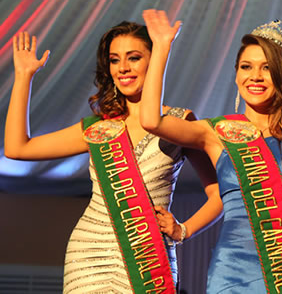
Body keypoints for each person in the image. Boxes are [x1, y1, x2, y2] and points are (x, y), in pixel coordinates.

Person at [4, 22, 223, 293]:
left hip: (147, 259)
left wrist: (184, 230)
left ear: (154, 61)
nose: (123, 68)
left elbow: (220, 194)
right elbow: (17, 148)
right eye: (115, 60)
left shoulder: (179, 121)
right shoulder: (97, 128)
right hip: (88, 256)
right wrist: (24, 76)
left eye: (134, 58)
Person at [140, 9, 282, 294]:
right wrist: (160, 49)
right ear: (236, 74)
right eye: (246, 66)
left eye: (267, 67)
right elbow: (151, 120)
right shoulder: (216, 133)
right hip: (230, 272)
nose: (255, 76)